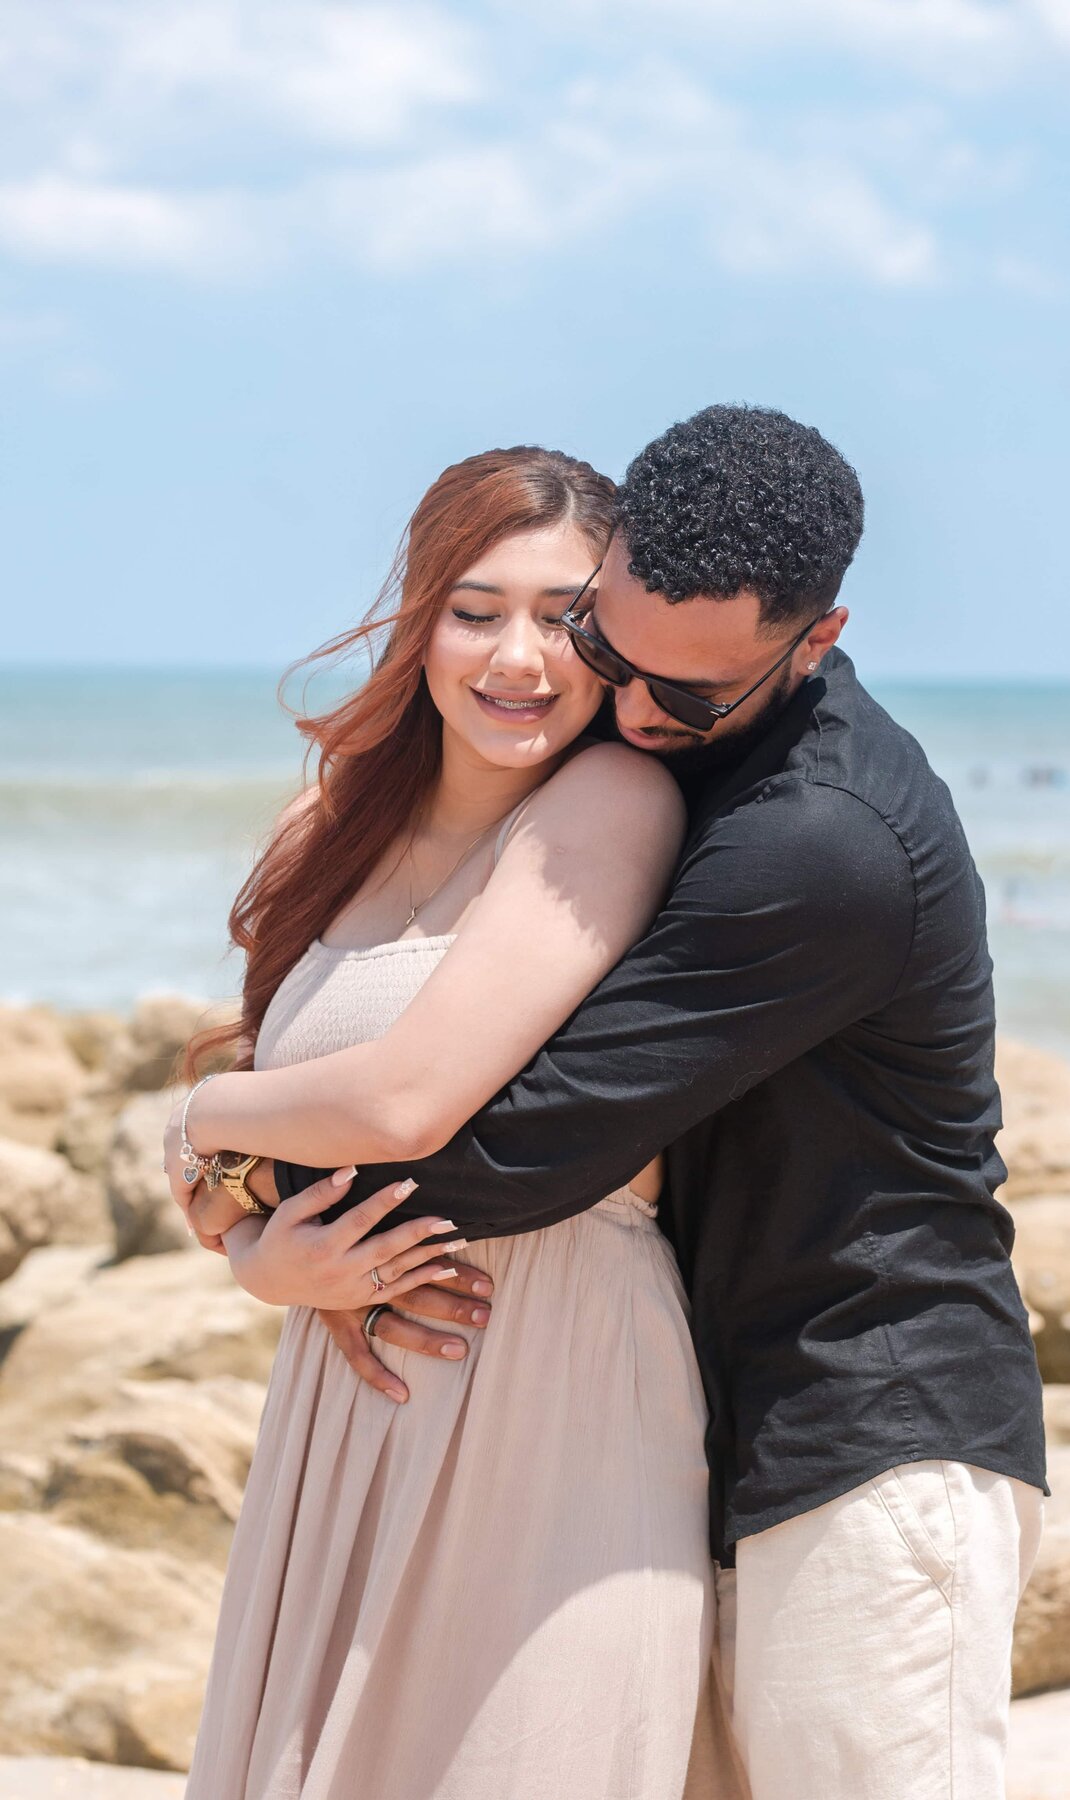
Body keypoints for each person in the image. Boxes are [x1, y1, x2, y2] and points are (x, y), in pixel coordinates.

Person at [251, 404, 1050, 1800]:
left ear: (819, 636)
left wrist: (234, 1189)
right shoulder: (674, 750)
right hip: (725, 1417)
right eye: (609, 651)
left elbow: (525, 1144)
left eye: (683, 698)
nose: (627, 708)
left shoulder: (818, 842)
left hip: (868, 1430)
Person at [172, 445, 727, 1799]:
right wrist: (258, 1261)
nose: (519, 657)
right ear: (420, 619)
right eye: (477, 610)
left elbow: (404, 1100)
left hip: (553, 1380)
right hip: (350, 1384)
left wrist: (195, 1112)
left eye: (564, 616)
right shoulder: (333, 822)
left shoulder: (610, 804)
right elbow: (235, 1159)